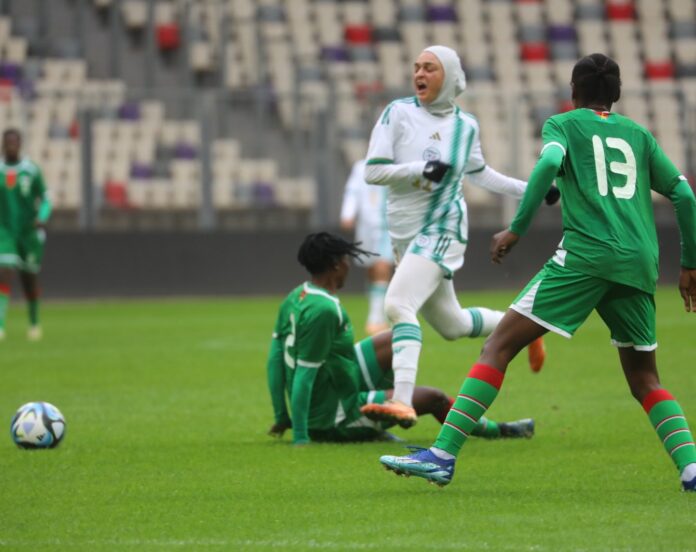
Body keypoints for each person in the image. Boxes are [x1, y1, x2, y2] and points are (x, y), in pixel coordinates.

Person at [378, 53, 696, 492]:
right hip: (639, 262)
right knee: (646, 379)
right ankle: (692, 468)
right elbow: (685, 197)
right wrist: (690, 264)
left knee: (498, 347)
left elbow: (548, 165)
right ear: (617, 95)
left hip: (585, 257)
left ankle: (443, 455)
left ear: (573, 92)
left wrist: (517, 228)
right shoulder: (640, 136)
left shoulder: (564, 126)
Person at [359, 45, 559, 428]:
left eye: (429, 68)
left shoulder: (466, 126)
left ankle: (401, 401)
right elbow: (374, 171)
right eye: (416, 67)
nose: (419, 73)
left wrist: (532, 188)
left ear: (449, 76)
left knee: (397, 305)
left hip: (443, 228)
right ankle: (525, 328)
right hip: (406, 235)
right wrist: (419, 169)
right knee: (452, 326)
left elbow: (481, 173)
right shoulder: (397, 114)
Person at [266, 232, 535, 444]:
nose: (349, 266)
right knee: (434, 399)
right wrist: (301, 435)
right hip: (334, 413)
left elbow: (275, 358)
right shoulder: (325, 310)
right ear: (336, 265)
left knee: (397, 341)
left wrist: (281, 416)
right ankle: (498, 431)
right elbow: (304, 373)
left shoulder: (296, 297)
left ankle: (391, 409)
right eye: (347, 260)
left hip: (335, 384)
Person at [0, 128, 51, 341]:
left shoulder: (31, 171)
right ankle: (0, 326)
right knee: (4, 272)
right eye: (7, 142)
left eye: (15, 142)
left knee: (29, 279)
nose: (11, 145)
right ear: (3, 145)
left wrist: (42, 216)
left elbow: (46, 198)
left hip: (28, 233)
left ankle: (34, 322)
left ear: (20, 145)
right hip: (5, 232)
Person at [340, 158, 393, 335]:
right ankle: (376, 313)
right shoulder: (360, 167)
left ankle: (375, 318)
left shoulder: (395, 165)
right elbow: (352, 191)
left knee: (382, 266)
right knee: (371, 269)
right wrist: (348, 213)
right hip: (366, 226)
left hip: (388, 225)